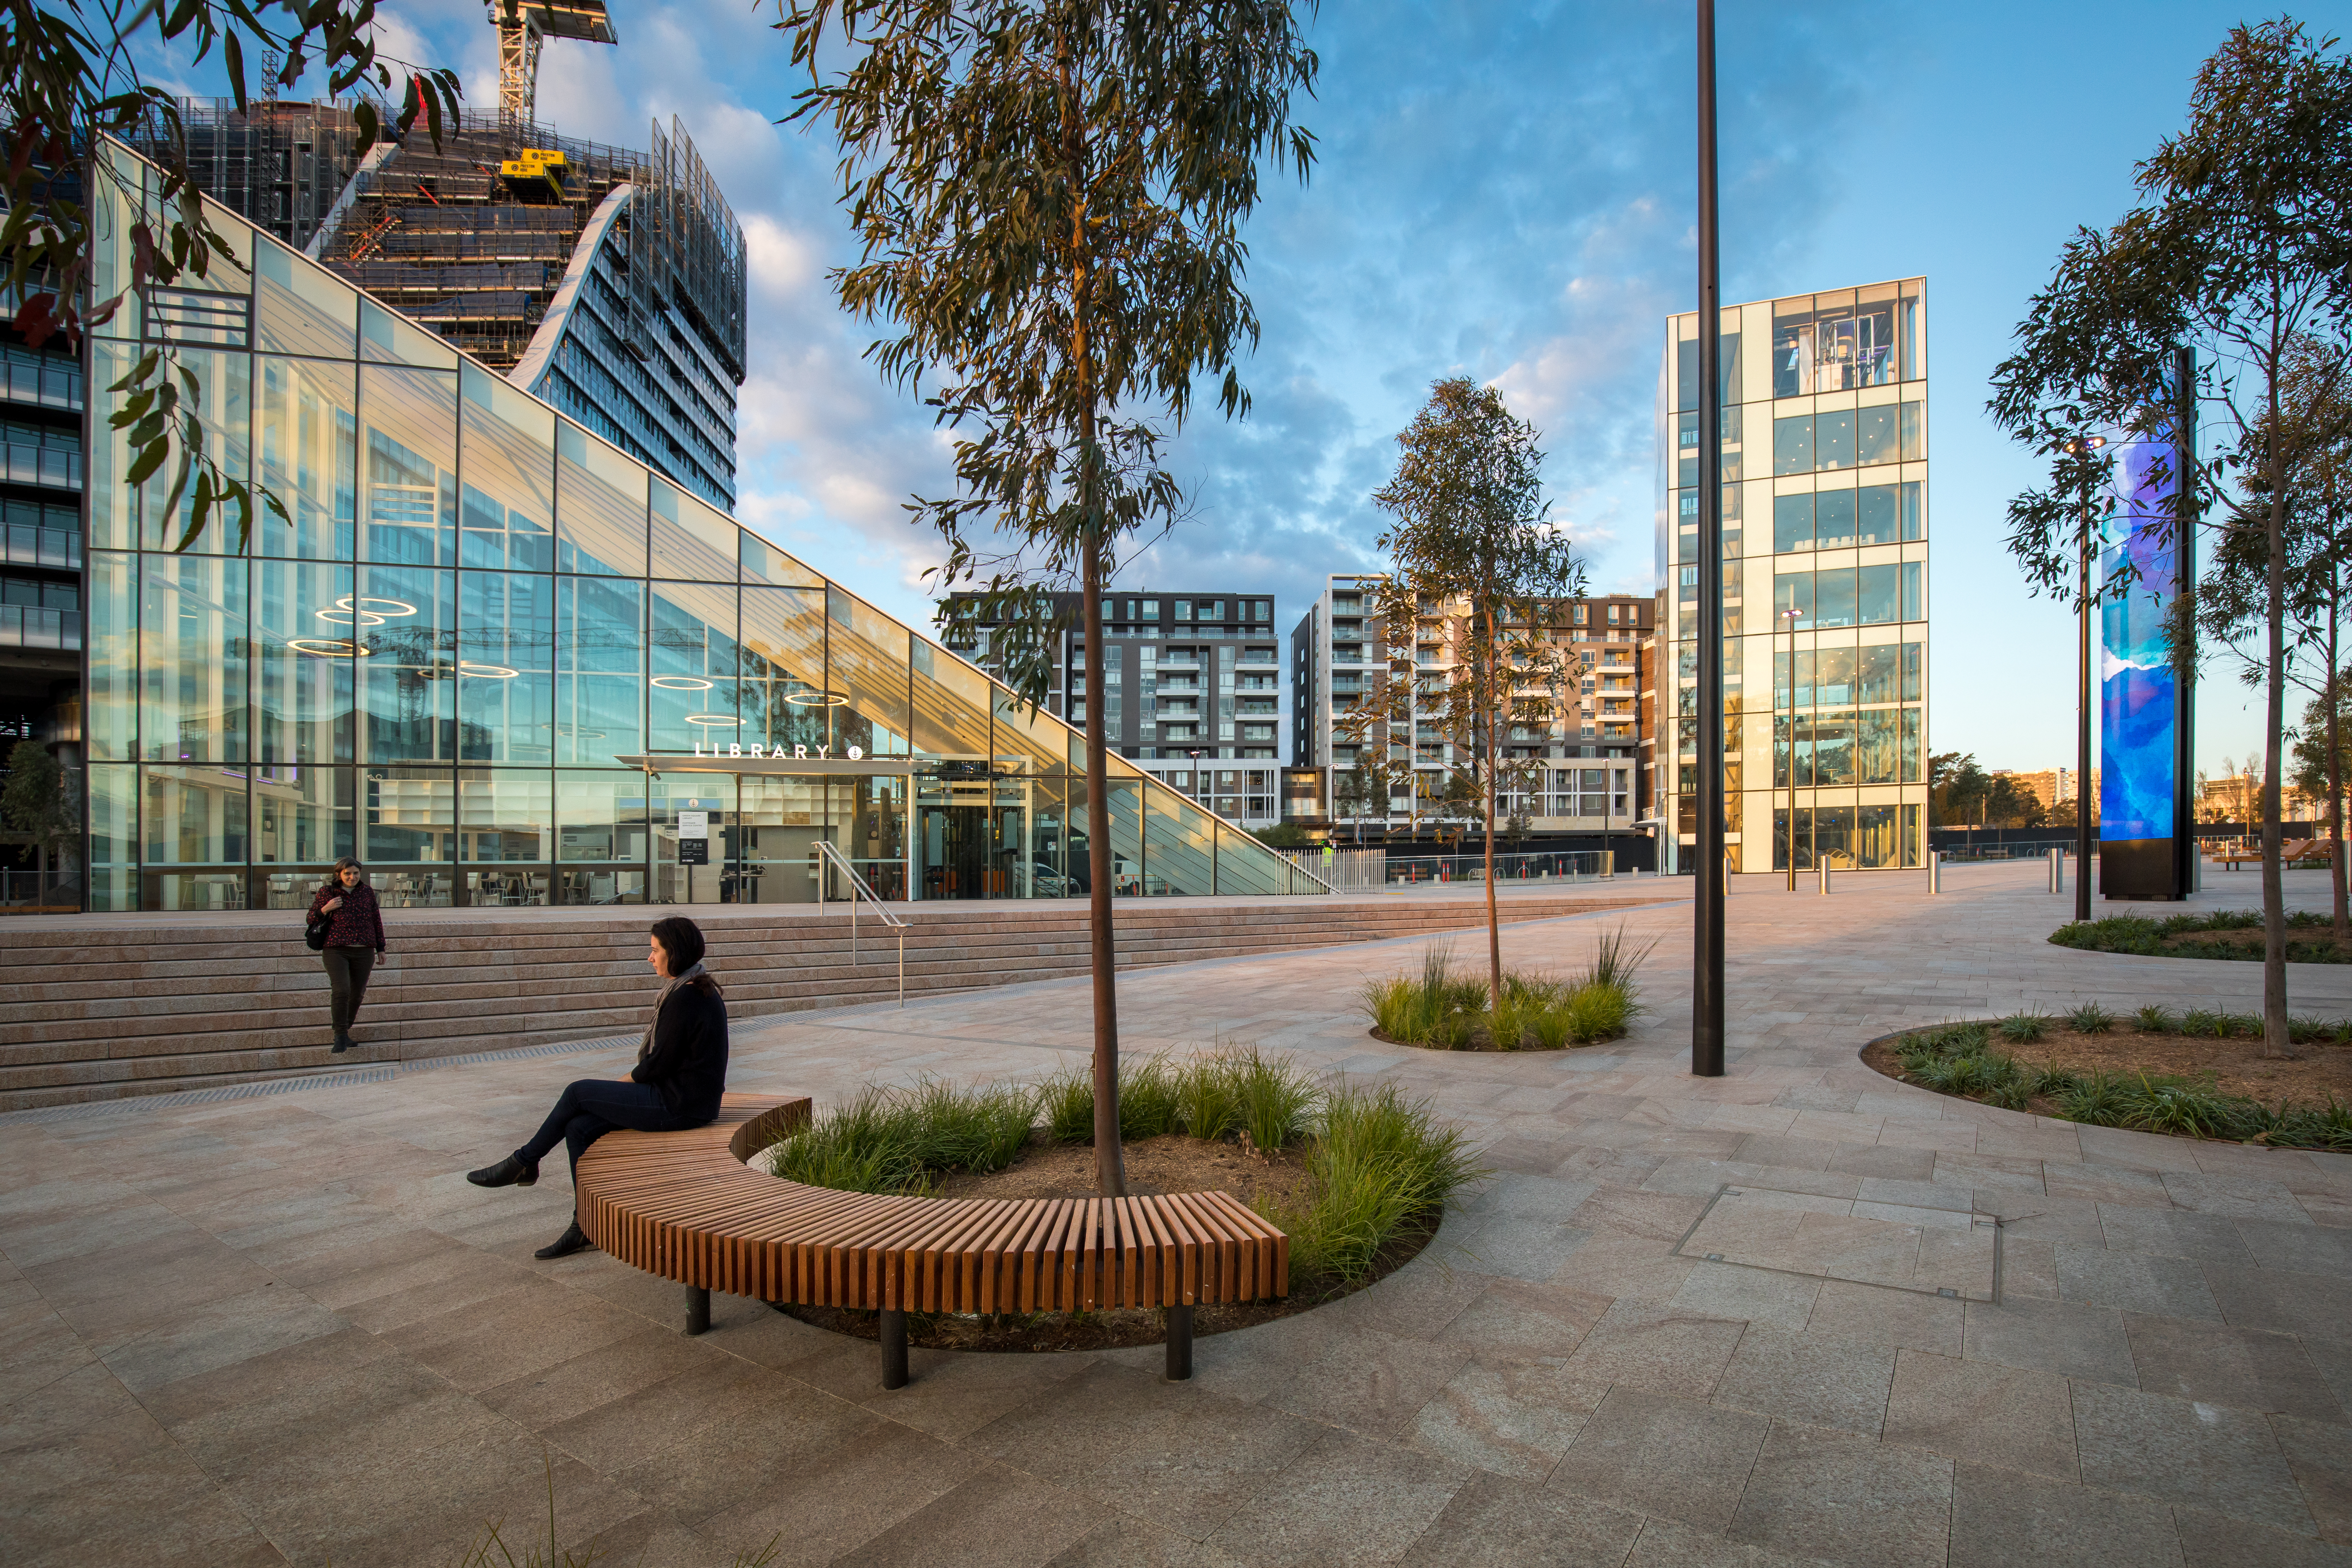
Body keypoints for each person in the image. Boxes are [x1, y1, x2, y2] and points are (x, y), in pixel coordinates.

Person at [465, 916, 729, 1261]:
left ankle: (524, 1161)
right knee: (578, 1127)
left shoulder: (687, 997)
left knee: (579, 1092)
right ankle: (585, 1225)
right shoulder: (692, 987)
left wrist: (619, 1084)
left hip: (680, 1104)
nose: (650, 958)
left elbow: (656, 1066)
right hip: (684, 1097)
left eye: (654, 950)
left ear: (674, 952)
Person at [308, 858, 386, 1054]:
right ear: (339, 875)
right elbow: (310, 918)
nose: (353, 877)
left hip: (364, 950)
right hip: (336, 949)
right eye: (348, 874)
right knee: (342, 990)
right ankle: (340, 1035)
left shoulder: (367, 892)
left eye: (356, 873)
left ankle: (345, 1030)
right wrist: (326, 908)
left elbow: (376, 920)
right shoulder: (328, 892)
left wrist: (381, 947)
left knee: (357, 993)